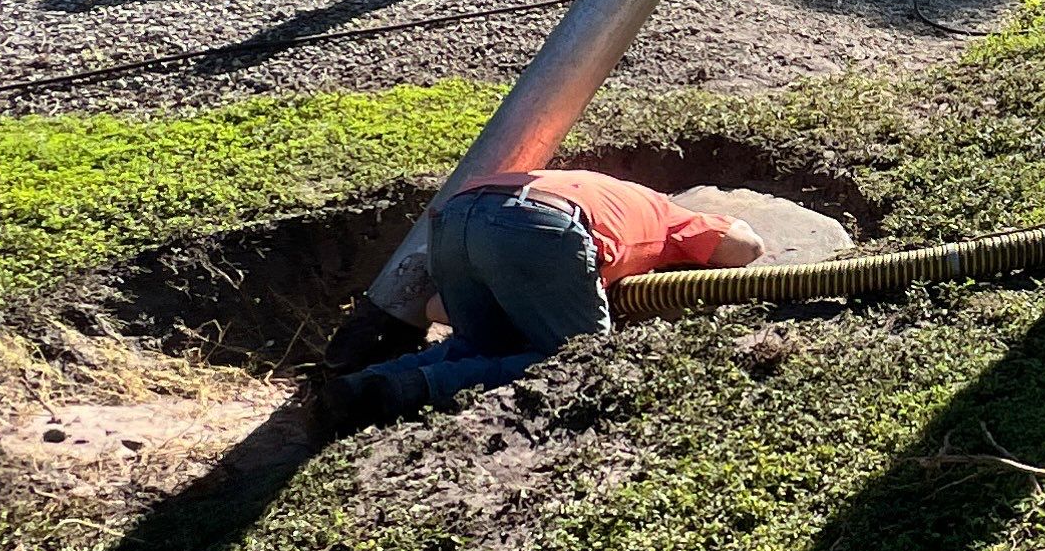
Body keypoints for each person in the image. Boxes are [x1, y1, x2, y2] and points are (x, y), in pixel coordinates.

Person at [321, 170, 761, 430]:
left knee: (482, 342)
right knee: (578, 358)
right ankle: (413, 388)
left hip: (457, 215)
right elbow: (745, 246)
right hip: (540, 224)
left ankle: (364, 383)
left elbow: (437, 307)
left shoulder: (601, 190)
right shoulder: (666, 214)